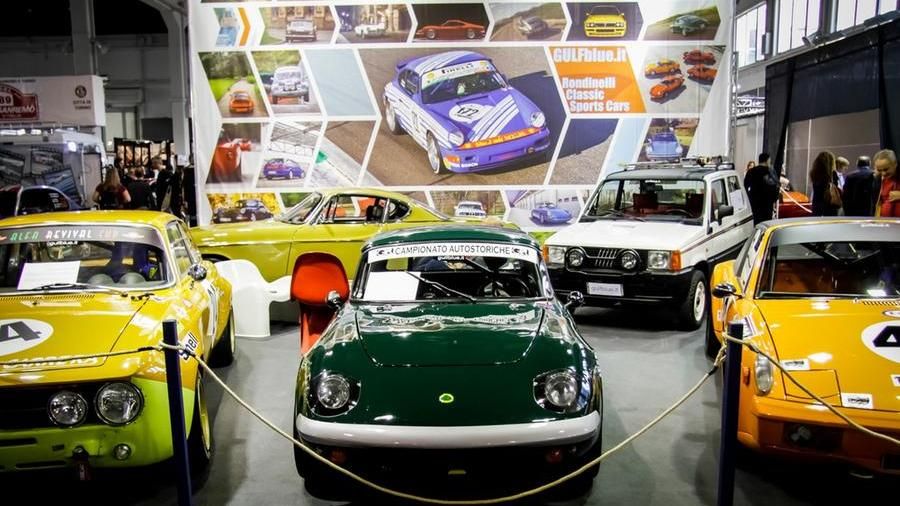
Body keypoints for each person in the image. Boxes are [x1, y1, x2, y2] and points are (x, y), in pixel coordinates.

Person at [743, 153, 779, 224]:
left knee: (756, 223)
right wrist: (774, 199)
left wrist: (749, 197)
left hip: (754, 203)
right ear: (767, 160)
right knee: (766, 224)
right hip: (767, 205)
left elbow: (745, 186)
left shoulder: (751, 172)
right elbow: (775, 187)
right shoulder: (770, 172)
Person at [809, 151, 841, 216]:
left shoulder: (814, 173)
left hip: (817, 205)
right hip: (830, 206)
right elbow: (835, 188)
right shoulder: (833, 174)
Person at [873, 149, 900, 217]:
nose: (883, 173)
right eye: (879, 170)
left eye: (886, 169)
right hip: (885, 221)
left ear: (895, 164)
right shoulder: (877, 179)